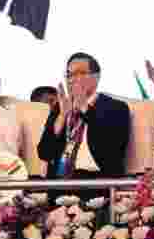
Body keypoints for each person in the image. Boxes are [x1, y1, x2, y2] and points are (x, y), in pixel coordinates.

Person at [38, 53, 130, 194]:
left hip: (96, 184)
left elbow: (112, 152)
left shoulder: (116, 107)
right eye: (70, 75)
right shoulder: (61, 108)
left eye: (80, 73)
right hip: (60, 183)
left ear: (96, 77)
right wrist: (62, 116)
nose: (74, 79)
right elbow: (44, 153)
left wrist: (85, 109)